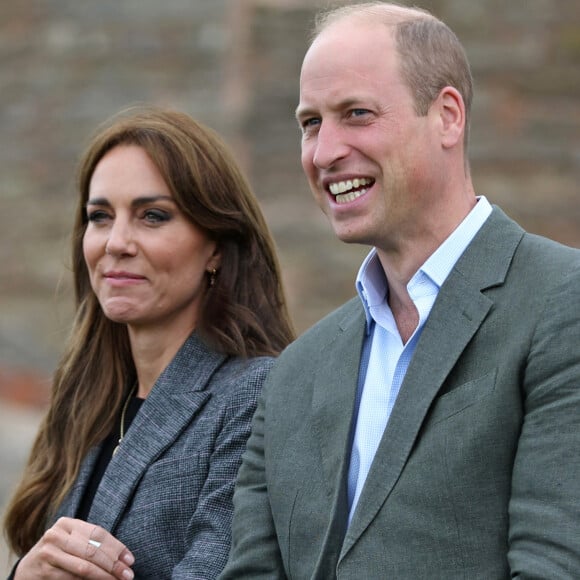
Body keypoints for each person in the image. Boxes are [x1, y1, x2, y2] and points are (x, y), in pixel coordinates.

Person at [220, 2, 580, 578]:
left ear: (447, 116)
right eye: (310, 123)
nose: (324, 152)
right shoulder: (293, 373)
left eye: (356, 114)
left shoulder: (563, 302)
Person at [3, 105, 295, 579]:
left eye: (152, 216)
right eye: (100, 216)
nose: (116, 241)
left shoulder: (255, 394)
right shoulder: (83, 398)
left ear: (216, 246)